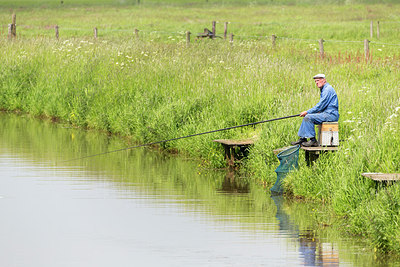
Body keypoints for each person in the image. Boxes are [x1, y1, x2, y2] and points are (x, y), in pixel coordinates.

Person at [291, 74, 339, 147]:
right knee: (307, 117)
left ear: (324, 80)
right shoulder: (324, 89)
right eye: (315, 81)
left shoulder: (328, 89)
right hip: (327, 113)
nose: (316, 83)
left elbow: (320, 105)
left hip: (331, 115)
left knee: (308, 117)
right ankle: (303, 138)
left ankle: (313, 141)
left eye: (318, 80)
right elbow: (324, 106)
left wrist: (307, 112)